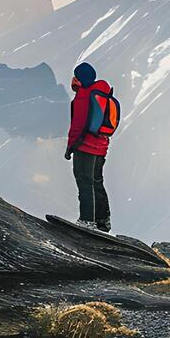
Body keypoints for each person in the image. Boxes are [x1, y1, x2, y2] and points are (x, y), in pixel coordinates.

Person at [64, 62, 112, 232]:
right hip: (101, 147)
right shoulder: (102, 93)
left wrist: (70, 147)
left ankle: (86, 221)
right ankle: (103, 220)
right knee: (97, 182)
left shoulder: (84, 96)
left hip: (85, 147)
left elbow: (77, 125)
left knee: (85, 182)